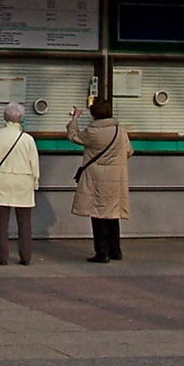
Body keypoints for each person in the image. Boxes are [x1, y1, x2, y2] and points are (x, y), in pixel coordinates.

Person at [67, 99, 133, 263]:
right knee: (112, 214)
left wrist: (74, 119)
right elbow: (129, 151)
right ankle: (115, 250)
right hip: (116, 178)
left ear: (93, 114)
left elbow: (73, 136)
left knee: (97, 214)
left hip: (96, 178)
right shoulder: (120, 130)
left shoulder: (92, 132)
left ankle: (102, 252)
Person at [0, 101, 40, 265]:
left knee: (1, 221)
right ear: (21, 119)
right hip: (24, 181)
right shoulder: (28, 139)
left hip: (2, 180)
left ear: (4, 117)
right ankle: (25, 256)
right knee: (25, 221)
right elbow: (34, 164)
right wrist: (35, 182)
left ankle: (2, 257)